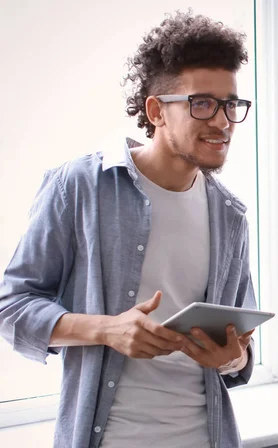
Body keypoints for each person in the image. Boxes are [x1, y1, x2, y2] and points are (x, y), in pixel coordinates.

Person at [0, 11, 257, 448]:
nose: (222, 121)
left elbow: (241, 347)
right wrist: (105, 329)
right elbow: (12, 306)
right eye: (202, 103)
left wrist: (233, 358)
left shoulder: (231, 215)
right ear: (156, 110)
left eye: (231, 104)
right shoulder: (80, 185)